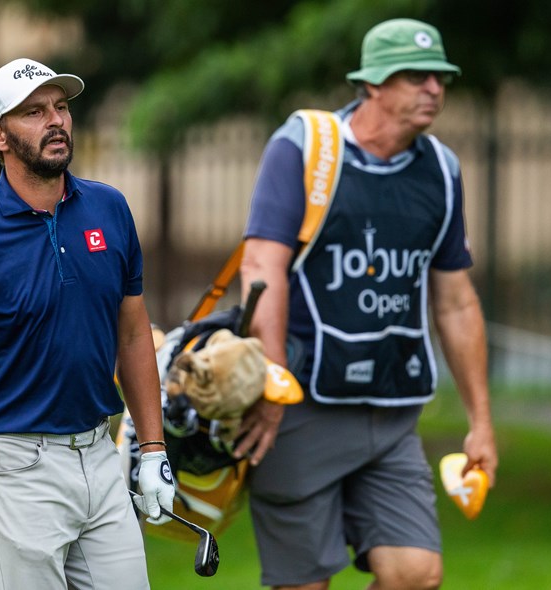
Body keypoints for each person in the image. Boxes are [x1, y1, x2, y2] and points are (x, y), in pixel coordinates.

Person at [0, 57, 175, 589]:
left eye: (61, 107)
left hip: (98, 455)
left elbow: (134, 334)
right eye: (34, 112)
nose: (56, 120)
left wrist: (153, 449)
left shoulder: (110, 209)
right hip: (7, 468)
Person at [234, 19, 499, 590]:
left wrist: (481, 421)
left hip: (391, 409)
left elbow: (455, 302)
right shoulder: (305, 147)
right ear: (373, 83)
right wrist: (272, 385)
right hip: (301, 406)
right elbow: (261, 268)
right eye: (416, 76)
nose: (434, 88)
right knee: (304, 584)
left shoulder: (442, 171)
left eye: (440, 77)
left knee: (416, 574)